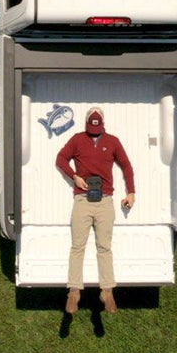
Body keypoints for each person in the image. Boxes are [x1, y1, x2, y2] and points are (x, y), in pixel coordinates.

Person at [54, 107, 135, 315]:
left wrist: (131, 193)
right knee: (77, 247)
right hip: (82, 199)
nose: (94, 131)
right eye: (91, 127)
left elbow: (126, 166)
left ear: (103, 124)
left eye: (96, 128)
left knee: (104, 248)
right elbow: (61, 158)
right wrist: (74, 176)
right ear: (86, 124)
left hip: (105, 201)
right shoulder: (77, 139)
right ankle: (74, 291)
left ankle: (107, 291)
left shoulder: (113, 141)